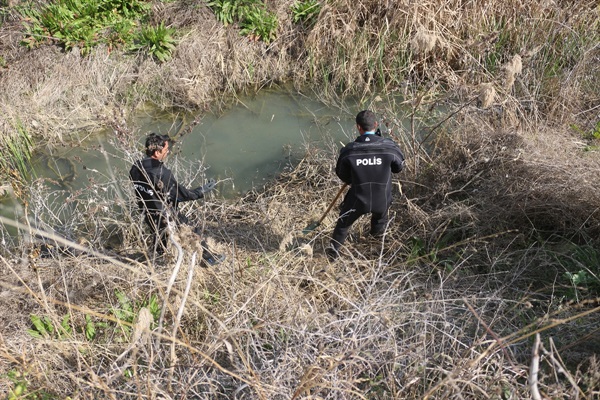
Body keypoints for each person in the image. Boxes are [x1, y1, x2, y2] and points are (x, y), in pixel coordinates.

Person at [129, 133, 224, 265]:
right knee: (193, 231)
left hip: (147, 212)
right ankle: (208, 258)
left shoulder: (135, 167)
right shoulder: (162, 173)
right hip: (166, 214)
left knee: (159, 236)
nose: (168, 152)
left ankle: (156, 262)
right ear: (157, 152)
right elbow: (180, 195)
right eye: (166, 149)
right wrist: (200, 191)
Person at [326, 110, 405, 260]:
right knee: (379, 221)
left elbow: (342, 175)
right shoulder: (390, 147)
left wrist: (354, 177)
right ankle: (375, 252)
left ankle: (332, 257)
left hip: (358, 199)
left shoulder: (349, 150)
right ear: (376, 125)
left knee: (342, 225)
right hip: (382, 199)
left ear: (358, 127)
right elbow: (398, 168)